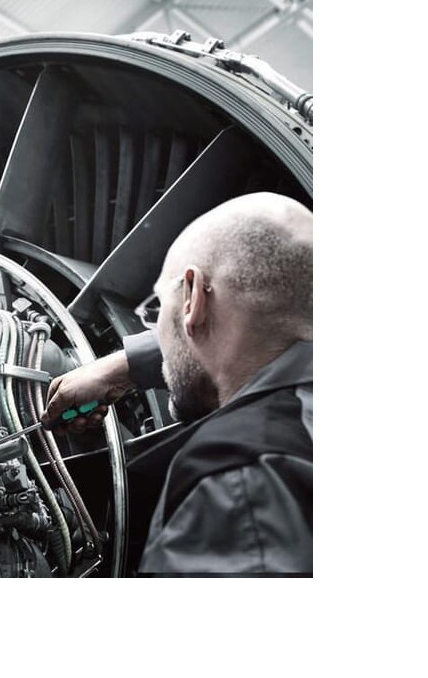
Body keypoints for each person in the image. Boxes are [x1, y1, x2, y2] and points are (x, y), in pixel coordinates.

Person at [43, 192, 313, 575]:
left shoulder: (238, 485)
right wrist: (127, 366)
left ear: (193, 297)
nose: (156, 327)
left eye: (156, 308)